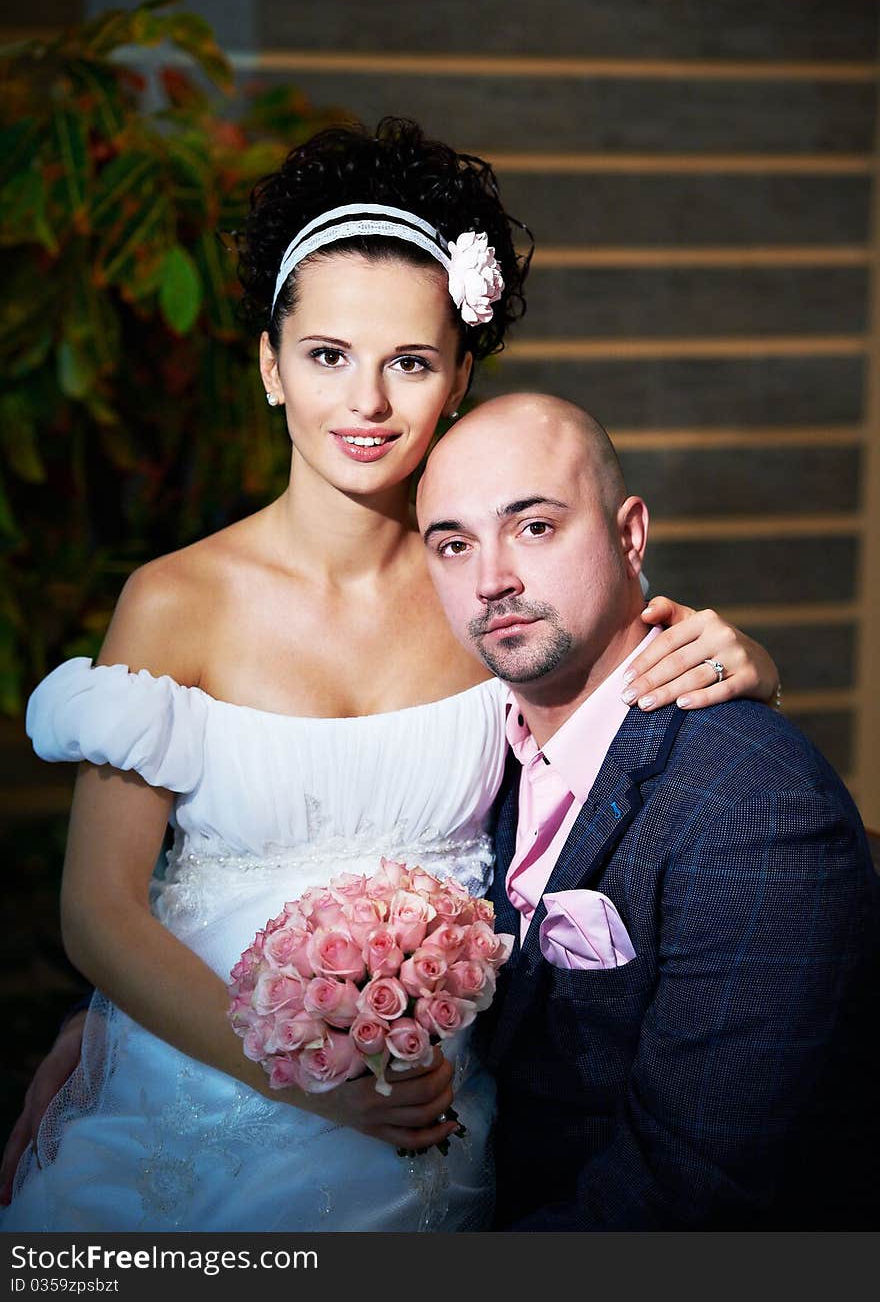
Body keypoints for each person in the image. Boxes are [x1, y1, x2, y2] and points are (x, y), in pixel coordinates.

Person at [1, 120, 779, 1231]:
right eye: (327, 356)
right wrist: (305, 1083)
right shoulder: (175, 601)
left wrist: (743, 658)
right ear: (271, 367)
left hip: (430, 1103)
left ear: (458, 376)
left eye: (408, 362)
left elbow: (621, 703)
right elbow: (99, 913)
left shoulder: (489, 590)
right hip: (203, 1091)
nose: (365, 403)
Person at [416, 392, 880, 1231]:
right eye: (454, 545)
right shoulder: (469, 756)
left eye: (535, 527)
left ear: (630, 535)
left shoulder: (757, 813)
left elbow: (689, 1197)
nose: (492, 580)